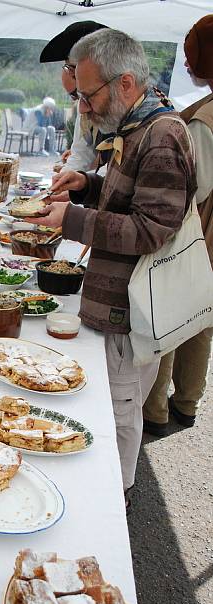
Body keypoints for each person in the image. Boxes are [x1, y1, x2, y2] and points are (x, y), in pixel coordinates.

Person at [36, 28, 197, 508]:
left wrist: (75, 220)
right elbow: (126, 197)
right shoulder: (138, 127)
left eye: (89, 95)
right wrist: (85, 183)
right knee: (111, 409)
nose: (83, 108)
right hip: (118, 304)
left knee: (118, 415)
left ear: (125, 83)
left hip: (135, 312)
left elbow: (151, 229)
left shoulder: (163, 136)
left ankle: (114, 503)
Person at [143, 14, 213, 435]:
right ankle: (187, 401)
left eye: (194, 58)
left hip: (201, 233)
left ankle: (156, 410)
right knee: (203, 318)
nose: (187, 66)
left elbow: (196, 186)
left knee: (172, 315)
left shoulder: (206, 119)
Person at [39, 20, 107, 173]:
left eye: (85, 95)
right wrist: (66, 181)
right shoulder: (86, 108)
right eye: (76, 97)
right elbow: (81, 153)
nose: (81, 107)